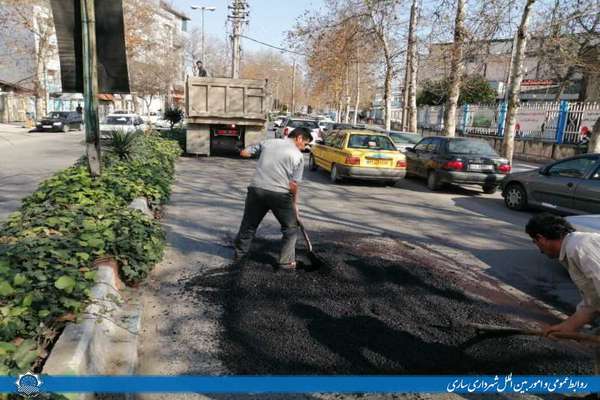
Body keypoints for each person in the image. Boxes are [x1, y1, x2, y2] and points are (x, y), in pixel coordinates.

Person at [234, 127, 313, 270]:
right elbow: (293, 184)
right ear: (299, 138)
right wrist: (295, 203)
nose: (304, 147)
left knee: (249, 225)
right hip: (279, 194)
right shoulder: (298, 156)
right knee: (290, 228)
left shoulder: (269, 142)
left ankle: (240, 256)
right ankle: (285, 262)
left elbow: (244, 153)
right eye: (305, 143)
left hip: (256, 190)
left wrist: (243, 149)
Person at [526, 213, 600, 335]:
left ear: (541, 238)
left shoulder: (579, 247)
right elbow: (594, 302)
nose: (539, 250)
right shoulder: (570, 251)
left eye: (535, 242)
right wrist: (568, 326)